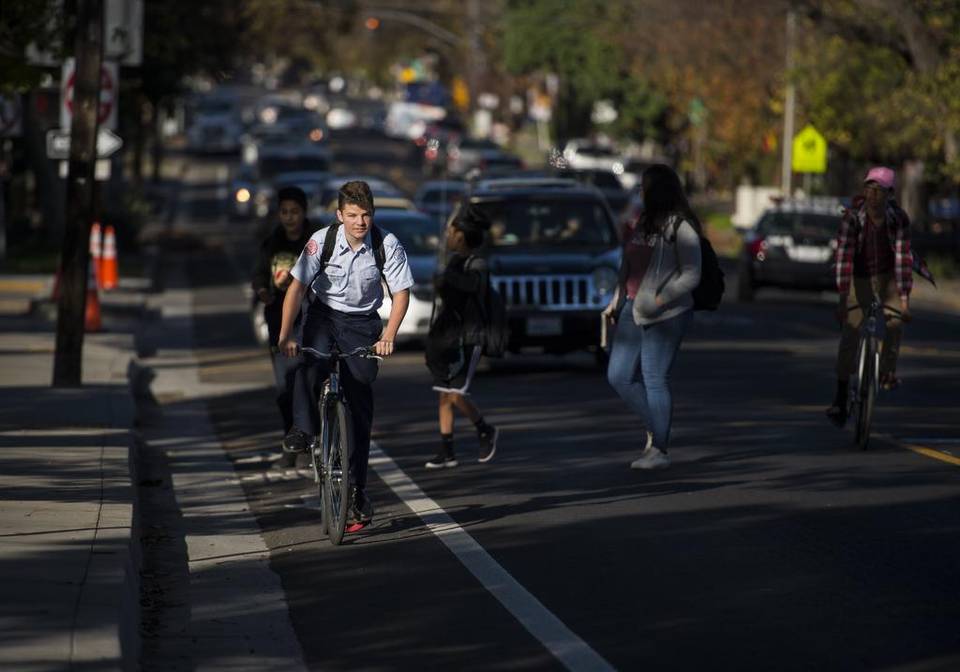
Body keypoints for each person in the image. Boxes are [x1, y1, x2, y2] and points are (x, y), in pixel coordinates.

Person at [277, 181, 414, 529]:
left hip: (362, 322)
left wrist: (388, 335)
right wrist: (285, 334)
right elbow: (297, 287)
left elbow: (401, 293)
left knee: (360, 402)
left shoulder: (386, 244)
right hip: (323, 314)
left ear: (373, 214)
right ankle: (304, 428)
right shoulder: (321, 241)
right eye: (352, 215)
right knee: (309, 362)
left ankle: (357, 490)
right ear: (340, 215)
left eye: (365, 215)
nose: (360, 222)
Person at [602, 164, 701, 470]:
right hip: (632, 308)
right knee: (618, 375)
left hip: (667, 313)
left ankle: (659, 449)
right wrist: (616, 300)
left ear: (657, 190)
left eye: (644, 187)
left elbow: (692, 274)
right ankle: (657, 425)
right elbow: (627, 265)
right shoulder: (643, 222)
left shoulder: (681, 227)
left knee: (654, 378)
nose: (640, 192)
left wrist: (660, 299)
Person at [826, 166, 913, 426]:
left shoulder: (898, 220)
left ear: (890, 194)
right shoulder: (852, 219)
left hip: (888, 278)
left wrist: (904, 302)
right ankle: (841, 397)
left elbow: (903, 259)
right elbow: (844, 260)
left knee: (895, 324)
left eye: (879, 190)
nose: (873, 196)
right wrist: (843, 301)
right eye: (869, 189)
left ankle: (886, 373)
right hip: (859, 279)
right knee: (851, 333)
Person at [424, 205, 499, 469]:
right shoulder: (454, 262)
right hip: (449, 337)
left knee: (455, 393)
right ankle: (447, 450)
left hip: (470, 337)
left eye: (451, 232)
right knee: (444, 393)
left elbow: (472, 286)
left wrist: (446, 278)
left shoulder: (477, 263)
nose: (448, 237)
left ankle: (485, 429)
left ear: (463, 236)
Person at [251, 186, 317, 468]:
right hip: (278, 323)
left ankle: (310, 439)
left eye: (295, 211)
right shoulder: (272, 243)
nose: (290, 217)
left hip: (309, 322)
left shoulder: (314, 242)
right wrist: (264, 291)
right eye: (285, 212)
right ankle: (291, 439)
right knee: (284, 388)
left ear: (304, 213)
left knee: (308, 382)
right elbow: (258, 275)